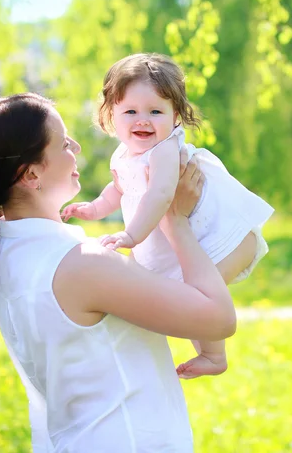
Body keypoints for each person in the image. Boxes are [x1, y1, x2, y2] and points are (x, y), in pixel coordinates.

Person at [0, 92, 237, 453]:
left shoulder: (5, 256)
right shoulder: (81, 264)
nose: (77, 148)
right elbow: (219, 319)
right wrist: (175, 220)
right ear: (31, 174)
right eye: (64, 143)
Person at [62, 53, 274, 379]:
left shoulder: (164, 151)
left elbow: (160, 195)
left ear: (176, 116)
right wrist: (94, 208)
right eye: (130, 111)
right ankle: (210, 354)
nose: (142, 120)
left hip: (219, 237)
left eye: (155, 111)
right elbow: (118, 189)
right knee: (188, 295)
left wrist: (131, 236)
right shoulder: (125, 154)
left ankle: (214, 355)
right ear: (111, 115)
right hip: (190, 242)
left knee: (196, 298)